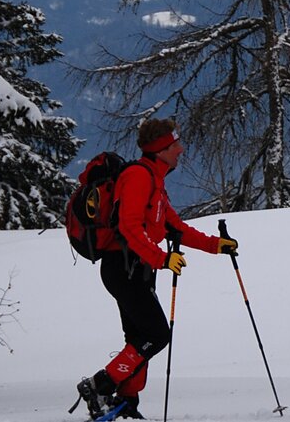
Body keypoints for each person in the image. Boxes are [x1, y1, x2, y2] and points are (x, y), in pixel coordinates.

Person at [76, 118, 239, 420]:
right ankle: (100, 385)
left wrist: (217, 245)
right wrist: (161, 259)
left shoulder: (154, 180)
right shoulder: (139, 177)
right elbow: (129, 225)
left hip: (135, 268)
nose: (181, 149)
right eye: (175, 144)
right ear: (160, 149)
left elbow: (174, 228)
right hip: (124, 268)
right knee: (156, 335)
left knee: (139, 338)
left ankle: (126, 402)